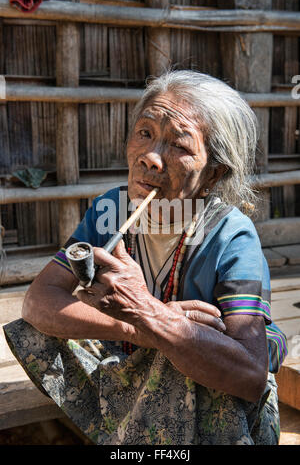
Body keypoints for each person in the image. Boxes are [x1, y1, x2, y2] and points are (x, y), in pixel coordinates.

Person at [4, 70, 287, 445]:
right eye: (145, 133)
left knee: (186, 348)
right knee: (39, 328)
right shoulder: (112, 209)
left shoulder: (230, 235)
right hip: (133, 363)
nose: (151, 158)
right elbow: (38, 301)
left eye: (179, 146)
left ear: (212, 174)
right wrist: (139, 326)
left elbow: (250, 376)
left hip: (218, 411)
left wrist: (155, 318)